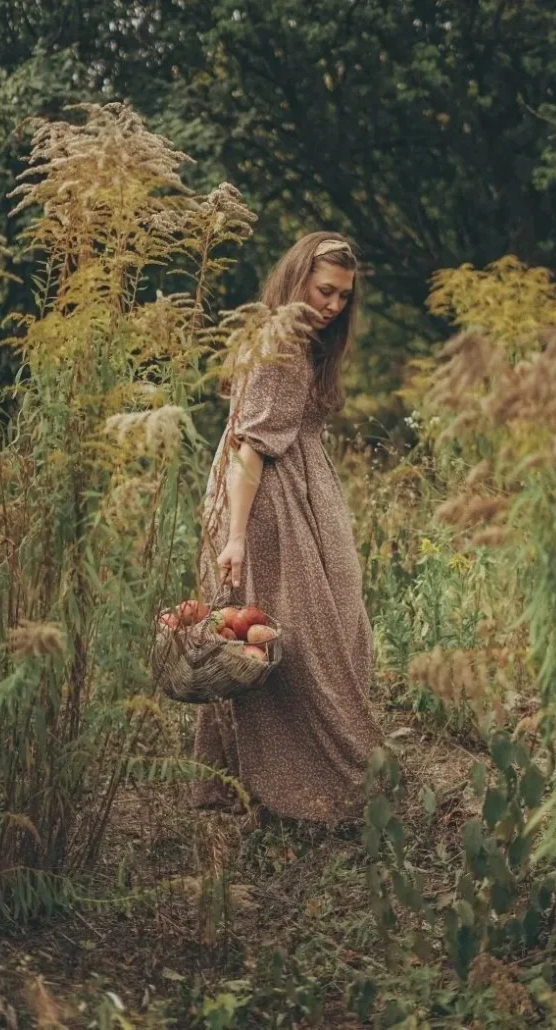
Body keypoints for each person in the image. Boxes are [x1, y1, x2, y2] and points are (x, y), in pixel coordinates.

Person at [193, 231, 383, 824]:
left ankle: (262, 783)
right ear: (298, 279)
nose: (334, 305)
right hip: (272, 503)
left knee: (295, 629)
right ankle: (321, 787)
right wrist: (236, 537)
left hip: (287, 493)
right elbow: (251, 448)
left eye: (344, 297)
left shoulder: (288, 340)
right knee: (304, 637)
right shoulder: (284, 349)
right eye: (325, 290)